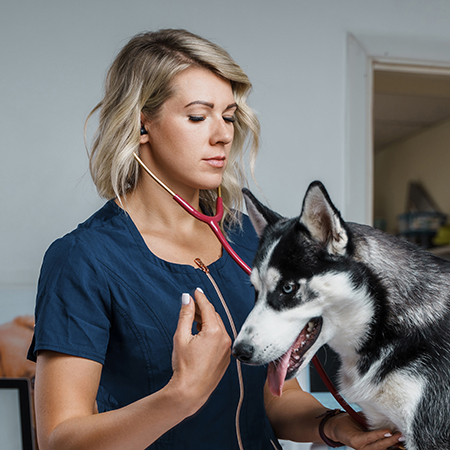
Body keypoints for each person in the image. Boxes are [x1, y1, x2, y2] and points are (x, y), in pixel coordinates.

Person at [28, 29, 404, 450]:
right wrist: (180, 396)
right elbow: (60, 440)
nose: (223, 135)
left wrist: (335, 427)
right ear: (141, 123)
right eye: (197, 116)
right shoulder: (83, 259)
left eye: (227, 115)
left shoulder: (251, 240)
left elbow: (279, 400)